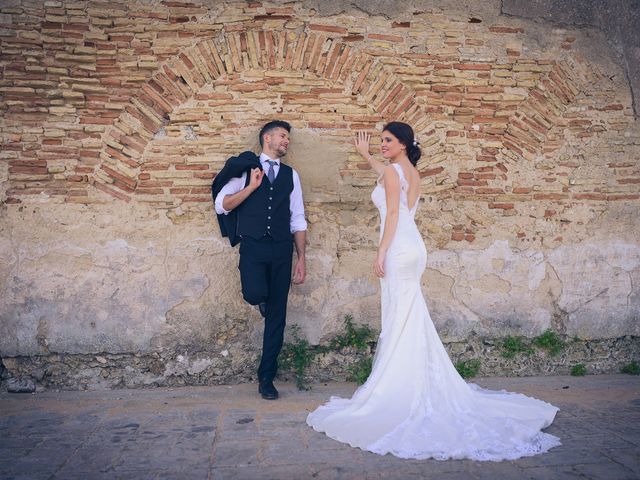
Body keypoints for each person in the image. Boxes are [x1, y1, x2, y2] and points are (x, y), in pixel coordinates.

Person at [306, 122, 561, 460]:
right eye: (381, 141)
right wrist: (367, 156)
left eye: (387, 141)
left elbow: (394, 212)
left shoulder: (394, 173)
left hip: (398, 247)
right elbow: (390, 182)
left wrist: (380, 251)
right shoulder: (411, 173)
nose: (382, 145)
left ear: (403, 144)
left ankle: (400, 388)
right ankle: (411, 379)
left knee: (400, 315)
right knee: (408, 315)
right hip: (414, 248)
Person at [213, 120, 307, 400]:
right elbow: (222, 204)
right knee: (254, 293)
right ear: (267, 138)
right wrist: (251, 187)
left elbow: (298, 218)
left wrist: (301, 257)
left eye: (287, 137)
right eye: (282, 136)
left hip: (281, 250)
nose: (286, 141)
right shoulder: (246, 168)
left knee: (277, 317)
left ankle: (267, 377)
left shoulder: (292, 175)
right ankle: (261, 301)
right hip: (253, 247)